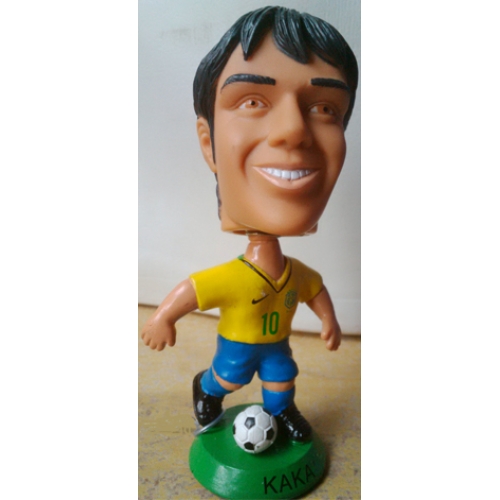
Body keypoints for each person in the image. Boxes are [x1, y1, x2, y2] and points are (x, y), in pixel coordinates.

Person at [141, 6, 358, 443]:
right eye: (253, 101)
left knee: (282, 378)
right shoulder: (234, 276)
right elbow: (192, 291)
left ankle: (283, 410)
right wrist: (164, 318)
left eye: (324, 108)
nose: (293, 131)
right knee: (230, 379)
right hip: (237, 345)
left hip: (276, 344)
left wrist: (330, 321)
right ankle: (206, 389)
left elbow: (315, 291)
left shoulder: (296, 272)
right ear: (209, 143)